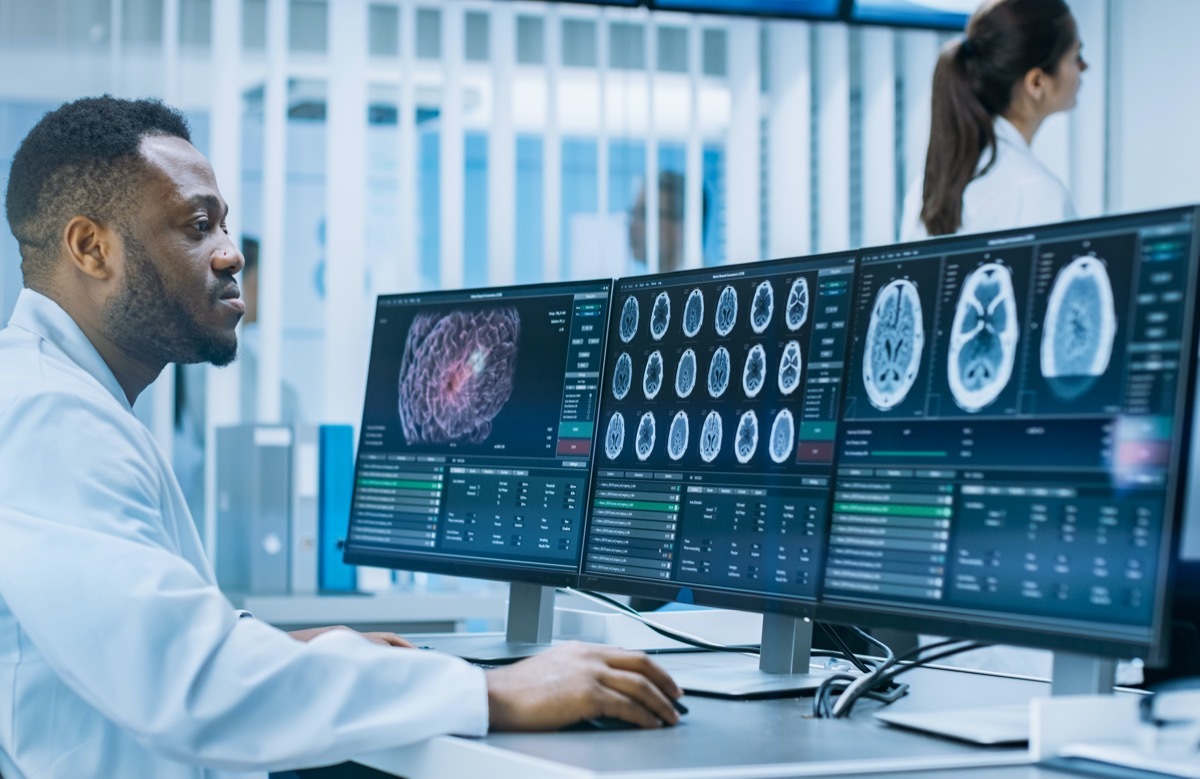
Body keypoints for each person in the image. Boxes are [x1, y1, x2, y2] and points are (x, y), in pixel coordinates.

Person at [0, 96, 682, 779]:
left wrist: (289, 649)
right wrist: (492, 690)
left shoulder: (62, 396)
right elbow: (184, 682)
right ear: (92, 248)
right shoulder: (48, 416)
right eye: (197, 225)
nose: (232, 253)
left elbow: (139, 637)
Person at [899, 0, 1088, 241]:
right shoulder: (1038, 194)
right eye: (1076, 56)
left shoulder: (925, 189)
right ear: (1037, 83)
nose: (1084, 67)